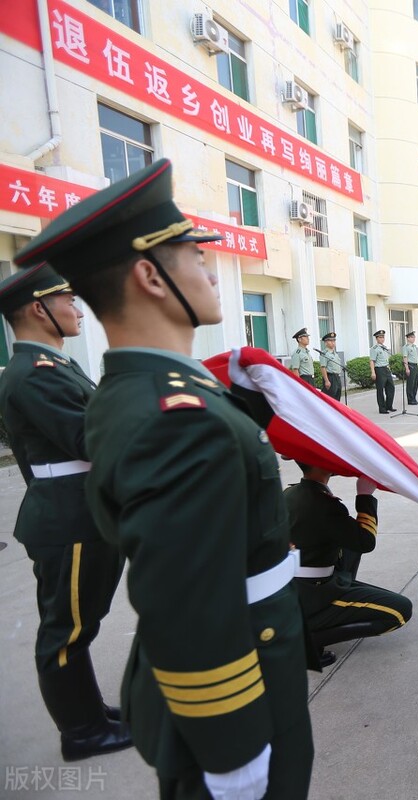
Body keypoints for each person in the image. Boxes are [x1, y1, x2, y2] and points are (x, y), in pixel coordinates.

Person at [15, 159, 313, 797]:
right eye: (193, 256)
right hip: (238, 690)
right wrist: (235, 758)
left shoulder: (143, 387)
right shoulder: (177, 418)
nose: (210, 271)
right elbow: (189, 610)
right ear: (150, 275)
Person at [0, 264, 131, 761]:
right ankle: (81, 732)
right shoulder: (34, 374)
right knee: (66, 631)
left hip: (81, 514)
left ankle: (91, 713)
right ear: (39, 308)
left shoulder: (54, 364)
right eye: (69, 301)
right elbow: (92, 439)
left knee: (80, 624)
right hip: (69, 521)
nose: (77, 310)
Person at [284, 463, 412, 667]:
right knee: (399, 612)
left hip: (294, 583)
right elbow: (366, 541)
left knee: (349, 545)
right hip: (312, 592)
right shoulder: (323, 505)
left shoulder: (291, 492)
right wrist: (365, 496)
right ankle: (306, 641)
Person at [370, 329, 396, 414]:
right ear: (377, 338)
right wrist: (373, 372)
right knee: (380, 390)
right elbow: (372, 361)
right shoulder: (374, 349)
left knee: (391, 387)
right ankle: (382, 408)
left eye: (383, 337)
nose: (382, 339)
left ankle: (389, 406)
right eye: (380, 337)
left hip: (386, 369)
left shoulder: (384, 348)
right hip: (379, 369)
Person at [318, 331, 346, 402]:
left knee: (337, 397)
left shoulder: (335, 353)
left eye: (334, 340)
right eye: (330, 341)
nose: (333, 342)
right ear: (326, 342)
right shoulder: (324, 354)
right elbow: (323, 367)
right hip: (330, 377)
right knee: (330, 399)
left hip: (337, 377)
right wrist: (327, 381)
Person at [403, 330, 418, 405]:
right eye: (412, 337)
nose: (413, 339)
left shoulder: (414, 346)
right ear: (408, 338)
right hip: (410, 365)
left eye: (414, 337)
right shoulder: (406, 347)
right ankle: (410, 399)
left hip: (415, 365)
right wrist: (407, 368)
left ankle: (414, 398)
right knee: (410, 383)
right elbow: (405, 357)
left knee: (416, 383)